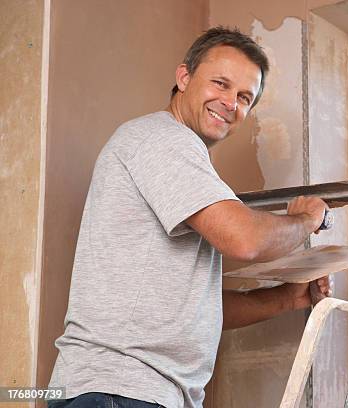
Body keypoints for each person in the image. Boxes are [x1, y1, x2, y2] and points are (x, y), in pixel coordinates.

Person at [47, 26, 331, 408]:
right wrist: (307, 220)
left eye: (244, 96)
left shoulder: (184, 166)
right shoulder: (161, 139)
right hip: (121, 388)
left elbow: (194, 311)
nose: (231, 102)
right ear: (184, 77)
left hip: (135, 392)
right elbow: (245, 240)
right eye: (221, 83)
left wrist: (285, 298)